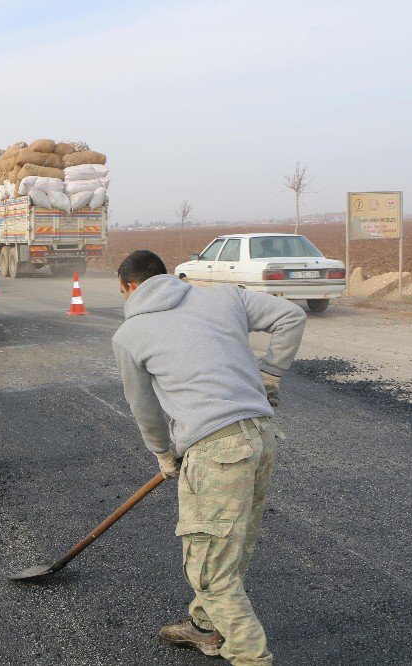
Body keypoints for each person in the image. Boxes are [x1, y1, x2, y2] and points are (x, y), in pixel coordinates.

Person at [111, 250, 305, 665]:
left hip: (217, 451)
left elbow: (144, 409)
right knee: (229, 547)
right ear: (164, 276)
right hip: (260, 437)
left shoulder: (130, 334)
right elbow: (292, 317)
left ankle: (251, 657)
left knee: (210, 570)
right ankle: (205, 627)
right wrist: (270, 373)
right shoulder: (223, 297)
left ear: (128, 287)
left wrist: (164, 455)